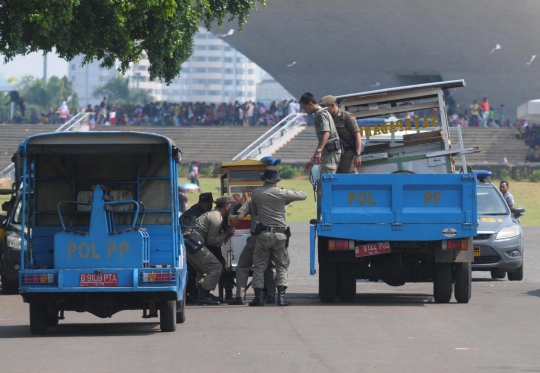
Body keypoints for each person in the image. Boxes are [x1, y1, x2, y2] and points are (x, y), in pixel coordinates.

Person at [249, 166, 307, 306]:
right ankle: (281, 297)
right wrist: (286, 199)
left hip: (263, 234)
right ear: (276, 180)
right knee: (281, 266)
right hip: (280, 235)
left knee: (259, 266)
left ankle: (258, 297)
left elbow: (254, 213)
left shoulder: (256, 193)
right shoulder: (282, 193)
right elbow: (303, 195)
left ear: (264, 179)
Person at [184, 196, 234, 305]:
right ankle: (204, 295)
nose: (231, 209)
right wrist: (226, 236)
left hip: (190, 243)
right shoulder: (216, 217)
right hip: (193, 243)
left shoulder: (213, 214)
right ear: (227, 206)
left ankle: (197, 293)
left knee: (203, 270)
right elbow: (211, 241)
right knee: (216, 267)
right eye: (231, 207)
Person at [227, 198, 276, 305]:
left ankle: (240, 296)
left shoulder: (253, 199)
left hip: (256, 238)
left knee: (243, 266)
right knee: (269, 267)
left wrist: (230, 227)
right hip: (273, 238)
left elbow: (239, 216)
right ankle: (271, 296)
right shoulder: (277, 198)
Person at [183, 192, 215, 303]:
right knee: (197, 270)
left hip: (183, 245)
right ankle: (195, 294)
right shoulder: (203, 215)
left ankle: (192, 293)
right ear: (207, 204)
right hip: (193, 245)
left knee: (190, 271)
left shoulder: (190, 212)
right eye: (210, 203)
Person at [300, 92, 342, 174]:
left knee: (327, 180)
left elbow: (326, 134)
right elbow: (321, 141)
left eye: (305, 108)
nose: (305, 111)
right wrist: (313, 159)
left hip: (331, 151)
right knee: (322, 181)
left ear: (310, 104)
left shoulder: (321, 114)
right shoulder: (319, 114)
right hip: (328, 151)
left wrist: (319, 151)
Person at [318, 95, 362, 173]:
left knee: (350, 180)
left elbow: (357, 135)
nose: (324, 112)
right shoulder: (326, 119)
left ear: (333, 105)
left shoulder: (347, 117)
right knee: (335, 180)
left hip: (347, 154)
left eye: (326, 110)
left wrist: (358, 154)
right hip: (333, 155)